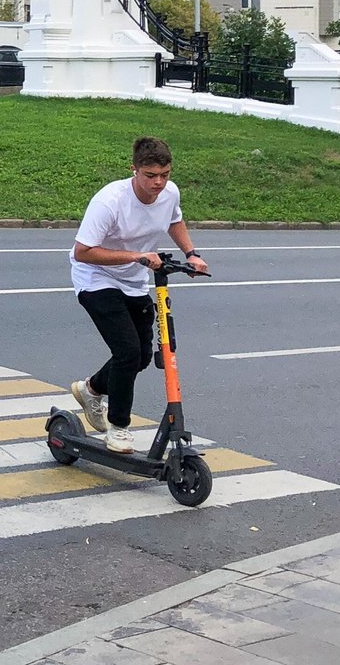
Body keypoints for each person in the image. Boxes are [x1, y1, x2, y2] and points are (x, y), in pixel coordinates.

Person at [67, 137, 209, 454]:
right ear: (134, 169)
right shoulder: (110, 201)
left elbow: (174, 220)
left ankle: (91, 389)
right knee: (128, 352)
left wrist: (192, 253)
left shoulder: (169, 193)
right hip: (95, 277)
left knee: (143, 356)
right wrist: (134, 256)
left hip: (133, 280)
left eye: (165, 174)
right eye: (150, 175)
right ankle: (118, 428)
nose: (158, 182)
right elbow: (83, 252)